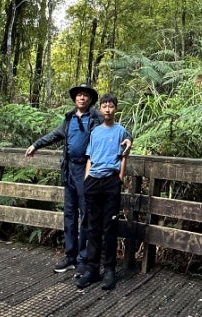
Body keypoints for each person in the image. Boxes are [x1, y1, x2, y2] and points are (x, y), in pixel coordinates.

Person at [25, 83, 101, 274]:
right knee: (69, 214)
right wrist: (36, 145)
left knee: (86, 215)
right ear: (75, 99)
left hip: (87, 170)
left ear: (90, 99)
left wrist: (127, 139)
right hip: (69, 170)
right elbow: (54, 135)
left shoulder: (96, 118)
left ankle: (84, 258)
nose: (82, 98)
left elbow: (110, 131)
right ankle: (70, 256)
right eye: (79, 95)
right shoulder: (69, 119)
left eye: (85, 95)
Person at [75, 93, 132, 291]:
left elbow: (125, 154)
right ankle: (92, 269)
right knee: (93, 227)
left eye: (111, 106)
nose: (107, 109)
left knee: (110, 227)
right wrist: (86, 179)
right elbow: (89, 157)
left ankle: (109, 270)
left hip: (110, 182)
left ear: (115, 109)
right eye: (104, 106)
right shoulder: (96, 132)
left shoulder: (121, 131)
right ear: (100, 109)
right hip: (93, 182)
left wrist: (120, 178)